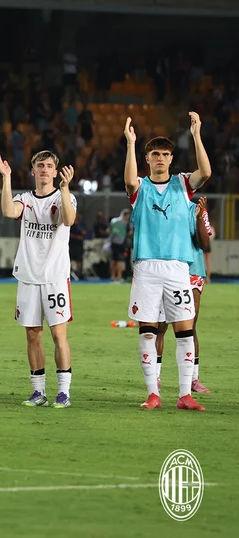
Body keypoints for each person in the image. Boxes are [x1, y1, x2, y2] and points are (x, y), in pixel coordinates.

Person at [124, 113, 210, 411]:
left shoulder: (183, 183)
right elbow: (128, 180)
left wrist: (196, 136)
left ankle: (185, 395)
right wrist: (130, 143)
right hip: (146, 267)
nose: (160, 158)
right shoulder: (139, 187)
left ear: (171, 158)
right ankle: (153, 394)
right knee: (148, 331)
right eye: (155, 154)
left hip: (177, 267)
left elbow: (205, 172)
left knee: (184, 331)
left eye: (165, 154)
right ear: (147, 158)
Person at [1, 151, 77, 408]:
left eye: (49, 166)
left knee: (58, 334)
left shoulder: (65, 196)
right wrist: (6, 178)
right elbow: (8, 211)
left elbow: (69, 219)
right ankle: (38, 392)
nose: (45, 169)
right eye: (40, 165)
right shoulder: (25, 199)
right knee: (32, 335)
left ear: (55, 172)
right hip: (28, 277)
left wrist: (65, 189)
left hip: (55, 277)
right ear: (33, 171)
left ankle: (63, 392)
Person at [155, 197, 212, 394]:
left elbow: (204, 243)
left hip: (192, 271)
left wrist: (199, 217)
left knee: (190, 327)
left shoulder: (196, 209)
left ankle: (193, 379)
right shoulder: (163, 206)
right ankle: (155, 377)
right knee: (160, 326)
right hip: (166, 269)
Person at [109, 209, 131, 282]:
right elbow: (129, 233)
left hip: (113, 242)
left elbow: (109, 230)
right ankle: (119, 276)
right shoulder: (126, 223)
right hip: (121, 243)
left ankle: (112, 276)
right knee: (120, 260)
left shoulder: (113, 220)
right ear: (126, 215)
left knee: (113, 260)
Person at [69, 212, 86, 278]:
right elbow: (69, 234)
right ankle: (70, 273)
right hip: (72, 244)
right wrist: (76, 237)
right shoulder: (71, 223)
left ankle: (80, 273)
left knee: (79, 259)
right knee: (69, 259)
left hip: (79, 245)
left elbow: (84, 233)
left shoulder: (81, 225)